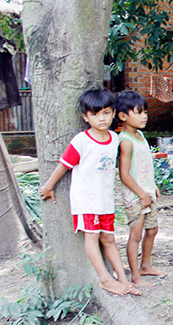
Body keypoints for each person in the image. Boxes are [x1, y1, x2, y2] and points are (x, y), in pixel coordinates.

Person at [39, 88, 136, 296]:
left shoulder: (114, 138)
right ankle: (105, 279)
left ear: (113, 113)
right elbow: (63, 165)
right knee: (91, 237)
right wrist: (48, 186)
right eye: (95, 114)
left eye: (106, 113)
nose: (102, 118)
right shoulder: (81, 141)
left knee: (109, 239)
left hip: (105, 201)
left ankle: (123, 279)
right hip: (86, 200)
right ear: (85, 116)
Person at [116, 90, 167, 288]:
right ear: (123, 116)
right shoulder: (126, 142)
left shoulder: (141, 136)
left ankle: (146, 265)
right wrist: (141, 194)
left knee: (153, 229)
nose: (144, 116)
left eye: (145, 111)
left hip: (147, 192)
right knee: (136, 235)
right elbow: (125, 174)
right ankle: (135, 275)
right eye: (138, 112)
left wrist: (152, 186)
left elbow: (145, 165)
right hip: (136, 196)